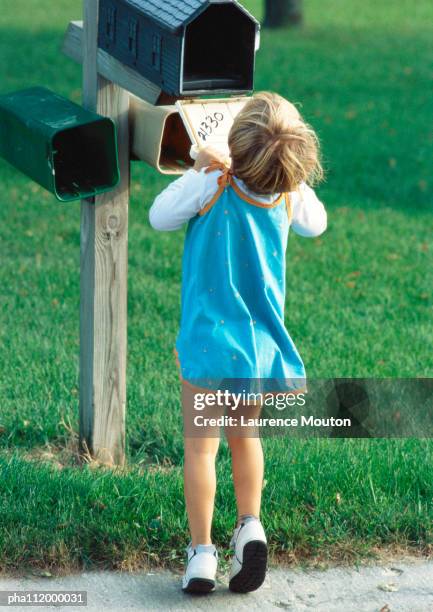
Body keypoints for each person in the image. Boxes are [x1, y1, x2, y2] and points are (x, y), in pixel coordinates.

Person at [149, 92, 327, 594]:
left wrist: (197, 168)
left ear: (233, 141)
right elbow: (319, 223)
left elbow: (159, 217)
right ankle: (250, 526)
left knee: (200, 452)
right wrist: (291, 175)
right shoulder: (291, 193)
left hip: (207, 349)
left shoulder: (210, 182)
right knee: (245, 440)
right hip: (259, 349)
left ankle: (201, 555)